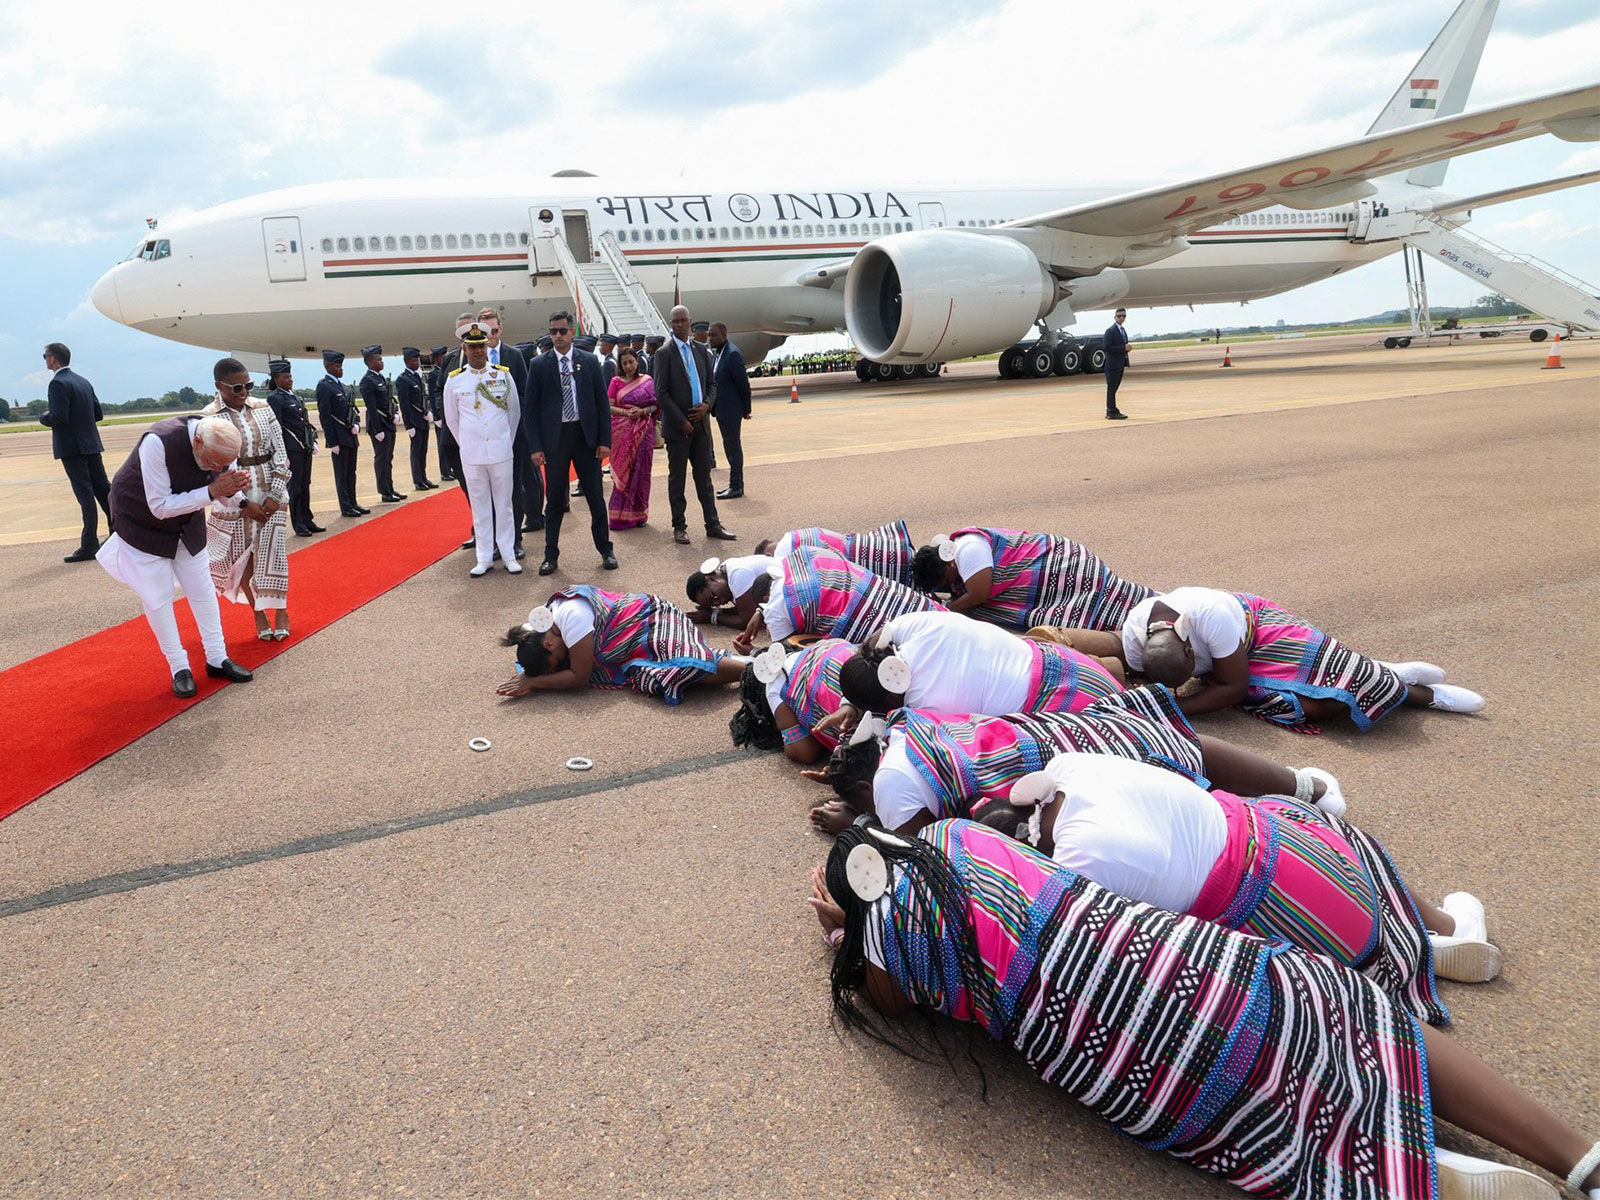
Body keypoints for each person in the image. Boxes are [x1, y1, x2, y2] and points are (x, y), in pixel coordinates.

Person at [811, 820, 1600, 1200]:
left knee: (1255, 1117)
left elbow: (887, 998)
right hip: (1174, 958)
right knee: (1349, 1010)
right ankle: (1576, 1157)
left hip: (1121, 1061)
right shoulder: (960, 837)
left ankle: (1420, 1170)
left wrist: (841, 930)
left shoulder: (890, 952)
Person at [973, 751, 1494, 991]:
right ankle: (1443, 926)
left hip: (1283, 918)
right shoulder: (1070, 765)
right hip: (1296, 846)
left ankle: (1407, 953)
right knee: (1321, 832)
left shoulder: (1075, 864)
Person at [809, 684, 1346, 834]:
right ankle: (1304, 787)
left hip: (1062, 767)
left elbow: (929, 848)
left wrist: (858, 821)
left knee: (1175, 800)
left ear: (866, 788)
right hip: (1057, 732)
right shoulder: (905, 728)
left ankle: (1302, 816)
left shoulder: (889, 790)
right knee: (1165, 739)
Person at [1061, 585, 1486, 732]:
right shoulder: (1137, 633)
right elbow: (1141, 670)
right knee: (1311, 709)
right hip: (1225, 671)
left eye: (1186, 674)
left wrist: (1176, 709)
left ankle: (1421, 694)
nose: (1181, 684)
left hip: (1258, 634)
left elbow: (1235, 686)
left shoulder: (1211, 617)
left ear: (1189, 645)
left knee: (1345, 683)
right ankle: (1382, 672)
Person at [96, 414, 254, 697]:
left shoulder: (221, 445)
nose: (219, 468)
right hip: (142, 522)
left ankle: (217, 658)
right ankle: (178, 666)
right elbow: (159, 506)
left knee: (202, 587)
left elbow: (221, 488)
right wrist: (212, 491)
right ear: (196, 442)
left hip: (187, 522)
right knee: (158, 597)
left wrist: (237, 494)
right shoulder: (158, 442)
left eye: (225, 463)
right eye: (213, 463)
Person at [830, 609, 1124, 727]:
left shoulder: (925, 709)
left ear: (891, 700)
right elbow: (875, 641)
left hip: (1061, 707)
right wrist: (852, 701)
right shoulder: (913, 625)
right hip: (1065, 661)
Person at [495, 587, 747, 705]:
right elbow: (526, 647)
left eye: (553, 664)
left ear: (549, 643)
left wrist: (534, 682)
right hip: (631, 645)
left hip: (650, 618)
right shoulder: (538, 630)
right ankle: (751, 664)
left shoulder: (571, 618)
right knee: (656, 678)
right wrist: (532, 675)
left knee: (684, 666)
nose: (557, 667)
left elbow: (579, 676)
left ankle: (755, 672)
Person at [911, 526, 1155, 633]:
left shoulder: (968, 549)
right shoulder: (959, 558)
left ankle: (1158, 608)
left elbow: (979, 594)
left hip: (1060, 568)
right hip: (1051, 578)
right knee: (1100, 614)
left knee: (1108, 600)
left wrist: (947, 608)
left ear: (948, 562)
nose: (947, 588)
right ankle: (1149, 617)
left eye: (943, 581)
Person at [202, 357, 293, 640]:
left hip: (270, 488)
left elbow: (281, 452)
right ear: (219, 386)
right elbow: (212, 466)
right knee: (241, 558)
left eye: (248, 386)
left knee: (274, 554)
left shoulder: (264, 408)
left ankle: (281, 611)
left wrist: (275, 493)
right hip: (234, 497)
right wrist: (243, 502)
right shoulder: (209, 418)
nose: (244, 393)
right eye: (237, 388)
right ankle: (257, 613)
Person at [524, 310, 616, 575]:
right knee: (554, 500)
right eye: (553, 331)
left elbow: (601, 404)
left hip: (585, 438)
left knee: (596, 497)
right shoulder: (540, 365)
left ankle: (606, 550)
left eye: (562, 331)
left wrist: (604, 441)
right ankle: (550, 555)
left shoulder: (589, 361)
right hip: (556, 439)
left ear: (572, 332)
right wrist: (536, 446)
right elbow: (531, 409)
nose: (557, 336)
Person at [730, 546, 944, 654]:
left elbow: (786, 653)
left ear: (767, 598)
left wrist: (756, 652)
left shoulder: (776, 608)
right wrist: (761, 612)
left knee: (907, 644)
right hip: (902, 598)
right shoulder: (801, 555)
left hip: (873, 625)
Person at [442, 322, 522, 576]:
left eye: (480, 346)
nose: (477, 351)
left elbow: (514, 414)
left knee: (504, 504)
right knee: (480, 506)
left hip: (501, 451)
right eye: (471, 347)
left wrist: (503, 442)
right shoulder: (455, 380)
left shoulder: (502, 374)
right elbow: (452, 420)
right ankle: (484, 557)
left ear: (486, 345)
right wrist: (468, 442)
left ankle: (508, 554)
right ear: (464, 348)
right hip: (472, 454)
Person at [653, 306, 735, 546]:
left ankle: (713, 524)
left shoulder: (701, 350)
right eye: (675, 321)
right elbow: (661, 393)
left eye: (683, 320)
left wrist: (707, 406)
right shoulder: (663, 353)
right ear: (671, 323)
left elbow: (712, 384)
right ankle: (679, 526)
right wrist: (681, 421)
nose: (680, 324)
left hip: (701, 426)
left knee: (705, 479)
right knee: (677, 480)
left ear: (690, 322)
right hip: (679, 429)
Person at [729, 637, 857, 764]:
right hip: (852, 663)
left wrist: (784, 725)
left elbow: (805, 752)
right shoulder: (819, 647)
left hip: (841, 694)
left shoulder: (773, 686)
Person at [39, 343, 112, 563]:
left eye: (45, 356)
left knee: (85, 495)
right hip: (91, 444)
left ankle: (89, 544)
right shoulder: (83, 382)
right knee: (103, 490)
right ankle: (118, 531)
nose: (45, 360)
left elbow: (59, 419)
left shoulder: (58, 383)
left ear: (53, 359)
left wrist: (44, 417)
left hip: (72, 448)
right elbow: (97, 414)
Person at [754, 522, 918, 589]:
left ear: (768, 555)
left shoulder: (782, 557)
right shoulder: (793, 535)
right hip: (874, 545)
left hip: (865, 562)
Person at [264, 360, 321, 537]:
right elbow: (277, 428)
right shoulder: (275, 398)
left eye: (290, 376)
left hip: (304, 446)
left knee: (306, 484)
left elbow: (303, 422)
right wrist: (282, 453)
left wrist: (312, 440)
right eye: (285, 377)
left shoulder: (293, 396)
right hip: (291, 448)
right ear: (276, 379)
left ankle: (307, 519)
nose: (289, 379)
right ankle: (299, 524)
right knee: (295, 487)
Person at [606, 347, 657, 530]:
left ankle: (639, 514)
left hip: (645, 432)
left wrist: (643, 411)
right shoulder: (616, 382)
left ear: (637, 361)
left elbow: (655, 405)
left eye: (631, 362)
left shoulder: (647, 381)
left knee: (642, 472)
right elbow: (609, 407)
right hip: (623, 434)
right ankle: (620, 518)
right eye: (624, 363)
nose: (628, 366)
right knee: (625, 472)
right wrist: (627, 413)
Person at [317, 350, 366, 517]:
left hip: (350, 437)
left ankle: (353, 502)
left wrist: (357, 424)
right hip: (339, 438)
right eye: (338, 366)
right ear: (328, 366)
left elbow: (352, 409)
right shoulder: (324, 386)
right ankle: (346, 507)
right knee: (341, 474)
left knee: (351, 472)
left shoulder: (342, 386)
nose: (341, 369)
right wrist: (332, 442)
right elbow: (325, 416)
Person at [708, 322, 751, 500]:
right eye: (709, 335)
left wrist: (746, 409)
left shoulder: (732, 354)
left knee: (733, 448)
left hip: (732, 410)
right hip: (722, 410)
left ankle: (736, 486)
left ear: (724, 336)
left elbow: (743, 384)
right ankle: (734, 484)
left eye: (714, 335)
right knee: (729, 446)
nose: (710, 338)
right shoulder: (718, 354)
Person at [358, 345, 404, 502]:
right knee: (382, 459)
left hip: (388, 424)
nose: (382, 362)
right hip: (379, 426)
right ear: (370, 362)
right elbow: (371, 408)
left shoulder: (380, 378)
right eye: (378, 359)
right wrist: (377, 429)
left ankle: (390, 488)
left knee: (388, 459)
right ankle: (384, 492)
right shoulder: (367, 381)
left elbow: (387, 402)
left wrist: (394, 415)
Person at [686, 553, 778, 629]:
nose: (720, 602)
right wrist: (717, 612)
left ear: (711, 579)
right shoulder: (726, 573)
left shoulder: (738, 575)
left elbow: (748, 621)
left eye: (714, 596)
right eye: (714, 604)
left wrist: (711, 617)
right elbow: (744, 608)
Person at [397, 347, 436, 491]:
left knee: (422, 451)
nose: (417, 363)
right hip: (414, 421)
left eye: (417, 360)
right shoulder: (403, 379)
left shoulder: (416, 377)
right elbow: (404, 404)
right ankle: (418, 480)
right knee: (416, 451)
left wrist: (427, 412)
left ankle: (423, 477)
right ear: (407, 362)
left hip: (422, 419)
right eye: (414, 360)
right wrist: (408, 425)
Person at [427, 345, 460, 483]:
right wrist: (437, 416)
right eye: (442, 356)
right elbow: (435, 397)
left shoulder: (445, 372)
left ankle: (449, 468)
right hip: (441, 416)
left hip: (448, 415)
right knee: (442, 445)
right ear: (436, 359)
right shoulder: (434, 375)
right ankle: (444, 471)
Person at [1103, 306, 1131, 420]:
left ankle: (1112, 409)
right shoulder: (1110, 331)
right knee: (1111, 389)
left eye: (1124, 316)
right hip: (1112, 365)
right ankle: (1111, 411)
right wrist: (1123, 348)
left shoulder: (1122, 330)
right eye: (1119, 316)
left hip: (1119, 364)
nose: (1122, 318)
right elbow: (1106, 347)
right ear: (1115, 317)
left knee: (1114, 389)